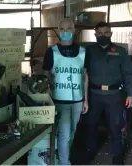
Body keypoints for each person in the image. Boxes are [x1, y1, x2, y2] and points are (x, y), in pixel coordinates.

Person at [84, 22, 132, 164]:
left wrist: (131, 94)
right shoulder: (89, 51)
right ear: (95, 34)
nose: (103, 35)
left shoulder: (119, 51)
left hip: (114, 95)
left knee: (115, 126)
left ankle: (117, 154)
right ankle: (90, 151)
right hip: (93, 94)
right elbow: (82, 73)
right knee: (91, 125)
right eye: (99, 33)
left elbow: (129, 74)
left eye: (106, 32)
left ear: (111, 34)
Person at [42, 18, 89, 165]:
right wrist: (48, 94)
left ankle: (62, 157)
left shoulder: (82, 52)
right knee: (65, 133)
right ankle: (63, 162)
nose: (65, 32)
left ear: (74, 30)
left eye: (68, 28)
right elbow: (45, 75)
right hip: (59, 100)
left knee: (72, 132)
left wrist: (86, 99)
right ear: (58, 31)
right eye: (62, 29)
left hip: (77, 100)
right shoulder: (52, 52)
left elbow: (85, 77)